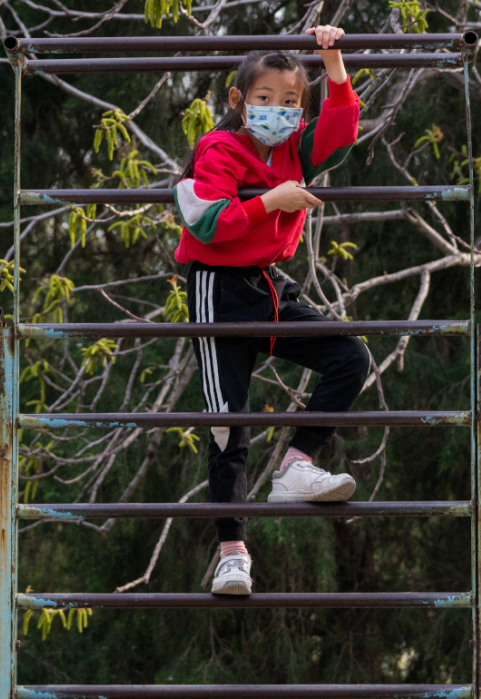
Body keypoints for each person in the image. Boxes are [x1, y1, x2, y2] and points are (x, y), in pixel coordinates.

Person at [172, 25, 370, 596]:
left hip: (267, 286)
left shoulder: (293, 150)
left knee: (348, 356)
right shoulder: (218, 147)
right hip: (218, 291)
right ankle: (232, 552)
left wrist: (332, 63)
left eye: (290, 103)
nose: (277, 112)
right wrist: (270, 202)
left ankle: (295, 464)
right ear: (237, 101)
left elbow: (339, 134)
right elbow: (207, 223)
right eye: (264, 100)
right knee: (229, 425)